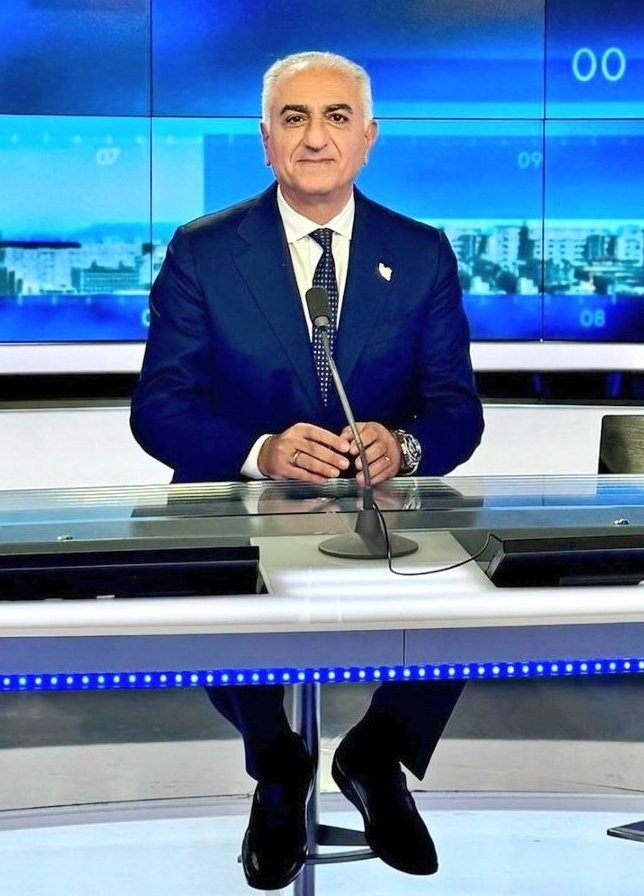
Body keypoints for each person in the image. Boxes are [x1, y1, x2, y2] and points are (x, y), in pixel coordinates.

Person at [131, 50, 484, 891]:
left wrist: (404, 446)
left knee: (484, 573)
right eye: (294, 118)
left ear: (368, 137)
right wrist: (260, 449)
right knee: (181, 580)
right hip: (239, 505)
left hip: (380, 507)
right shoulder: (203, 251)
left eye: (335, 117)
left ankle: (378, 752)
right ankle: (277, 764)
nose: (315, 137)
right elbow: (159, 408)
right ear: (266, 141)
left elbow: (457, 410)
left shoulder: (421, 252)